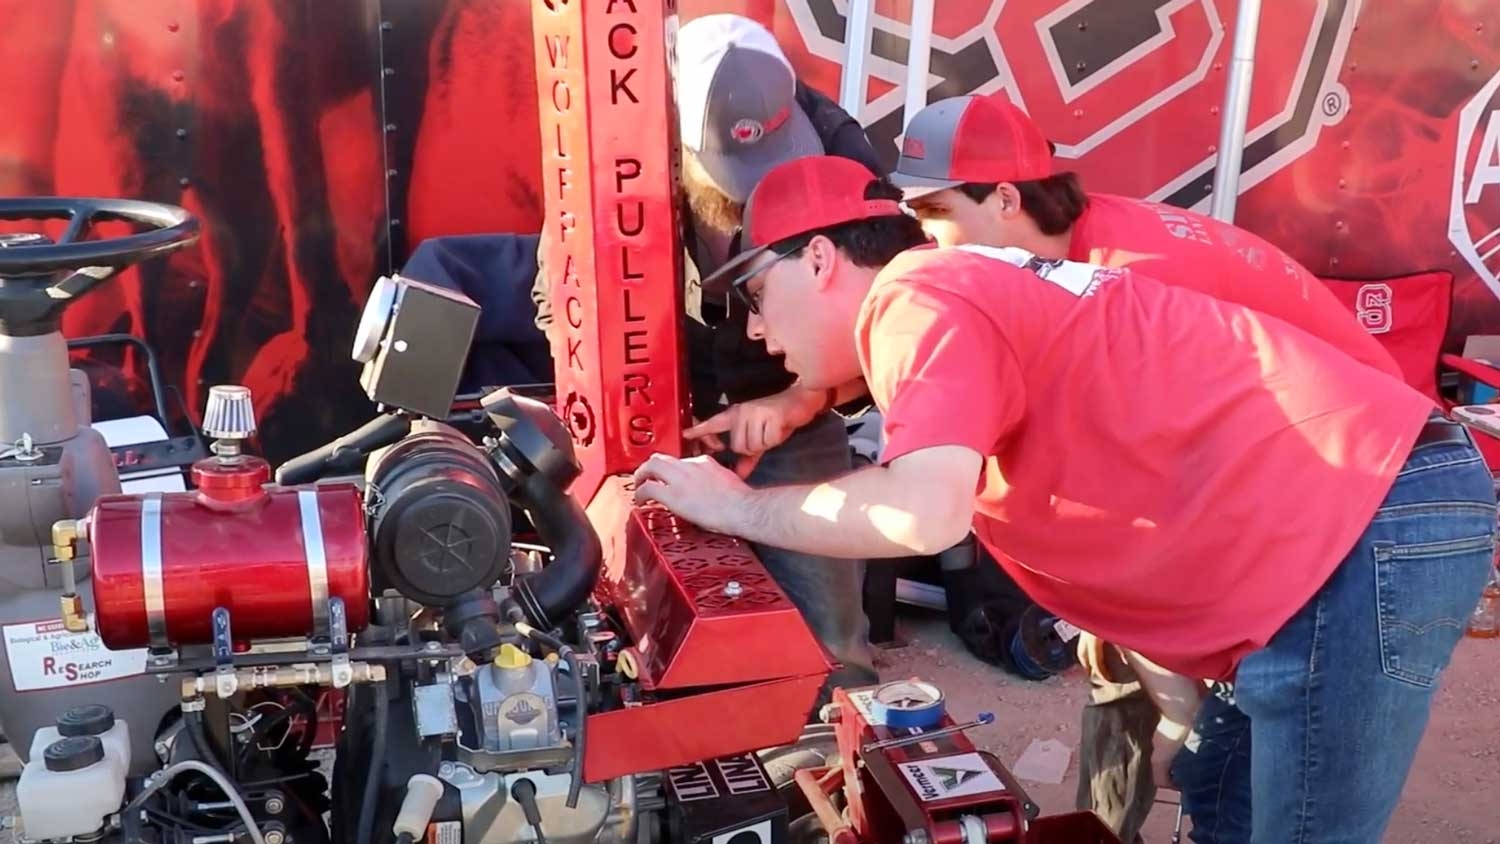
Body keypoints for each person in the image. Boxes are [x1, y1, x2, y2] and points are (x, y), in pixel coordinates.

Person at [632, 155, 1496, 844]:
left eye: (751, 295)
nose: (750, 329)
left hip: (1365, 516)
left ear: (819, 259)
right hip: (1342, 526)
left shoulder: (911, 298)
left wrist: (739, 512)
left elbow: (922, 513)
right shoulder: (963, 291)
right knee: (1224, 804)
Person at [883, 92, 1412, 843]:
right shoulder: (1078, 245)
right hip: (1311, 453)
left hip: (1354, 473)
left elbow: (1145, 521)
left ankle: (1129, 809)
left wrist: (1176, 698)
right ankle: (1124, 813)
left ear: (1003, 197)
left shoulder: (1122, 273)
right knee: (1145, 678)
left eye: (934, 215)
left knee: (1249, 750)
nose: (929, 244)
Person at [530, 13, 882, 696]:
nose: (753, 186)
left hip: (795, 422)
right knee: (655, 641)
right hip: (653, 428)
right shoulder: (617, 148)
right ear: (674, 133)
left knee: (834, 647)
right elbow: (558, 302)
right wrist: (629, 407)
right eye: (729, 168)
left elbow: (879, 333)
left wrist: (798, 400)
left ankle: (843, 776)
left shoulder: (847, 161)